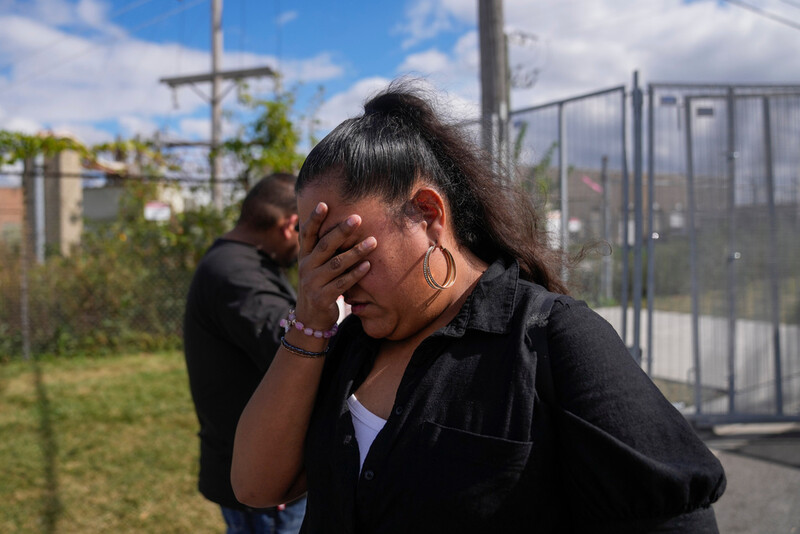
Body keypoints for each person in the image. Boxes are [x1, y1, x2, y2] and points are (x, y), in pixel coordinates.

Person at [230, 82, 726, 533]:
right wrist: (310, 323)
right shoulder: (348, 348)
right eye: (318, 255)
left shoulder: (552, 338)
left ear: (427, 214)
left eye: (348, 249)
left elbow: (677, 522)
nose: (332, 279)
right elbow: (255, 485)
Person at [184, 173, 307, 534]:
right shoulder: (237, 273)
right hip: (264, 482)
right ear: (292, 225)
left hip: (253, 468)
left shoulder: (242, 262)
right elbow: (295, 345)